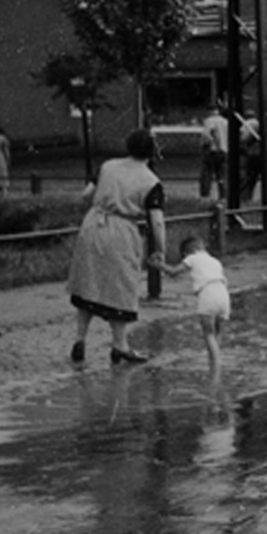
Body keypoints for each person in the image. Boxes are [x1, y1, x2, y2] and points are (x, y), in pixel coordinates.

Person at [67, 128, 168, 364]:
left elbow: (85, 194)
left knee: (87, 282)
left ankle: (80, 339)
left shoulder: (107, 166)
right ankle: (120, 345)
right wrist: (159, 250)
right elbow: (157, 222)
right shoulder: (151, 181)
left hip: (92, 225)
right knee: (121, 286)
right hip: (122, 231)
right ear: (152, 152)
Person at [152, 235, 230, 369]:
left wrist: (159, 265)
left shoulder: (192, 257)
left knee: (208, 334)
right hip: (224, 294)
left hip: (208, 294)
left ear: (188, 252)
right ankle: (217, 356)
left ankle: (215, 366)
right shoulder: (215, 261)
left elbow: (173, 272)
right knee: (218, 333)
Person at [200, 103, 229, 200]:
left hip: (212, 151)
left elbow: (206, 135)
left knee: (207, 173)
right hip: (224, 150)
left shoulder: (209, 121)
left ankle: (205, 196)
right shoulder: (226, 122)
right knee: (222, 175)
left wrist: (206, 145)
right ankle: (223, 196)